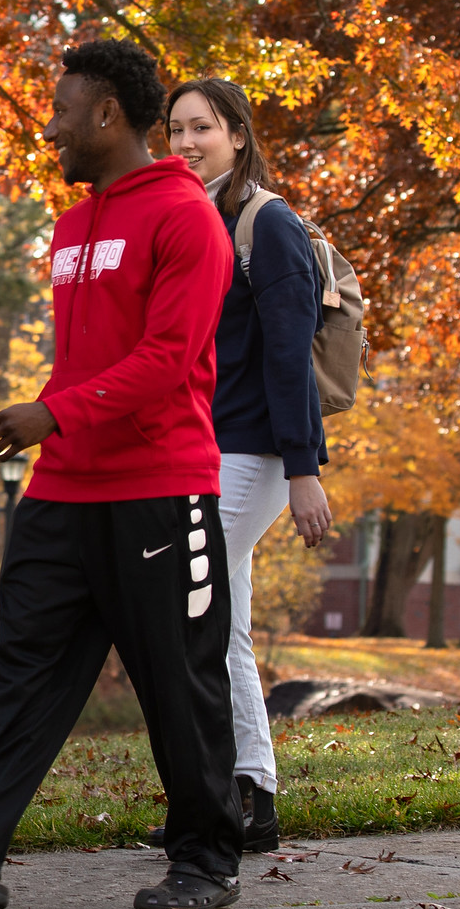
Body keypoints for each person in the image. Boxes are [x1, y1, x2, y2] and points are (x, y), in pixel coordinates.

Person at [0, 39, 242, 909]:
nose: (51, 127)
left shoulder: (184, 217)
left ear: (108, 114)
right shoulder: (73, 226)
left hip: (159, 489)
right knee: (25, 673)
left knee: (178, 684)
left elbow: (169, 358)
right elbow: (91, 356)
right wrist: (46, 413)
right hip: (66, 489)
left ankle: (207, 857)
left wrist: (53, 412)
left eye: (63, 111)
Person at [134, 77, 331, 853]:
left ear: (237, 135)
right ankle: (248, 796)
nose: (184, 143)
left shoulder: (265, 222)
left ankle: (226, 796)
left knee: (196, 616)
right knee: (221, 626)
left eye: (201, 129)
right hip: (204, 448)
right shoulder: (193, 217)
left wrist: (305, 465)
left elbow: (290, 354)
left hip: (252, 453)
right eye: (175, 130)